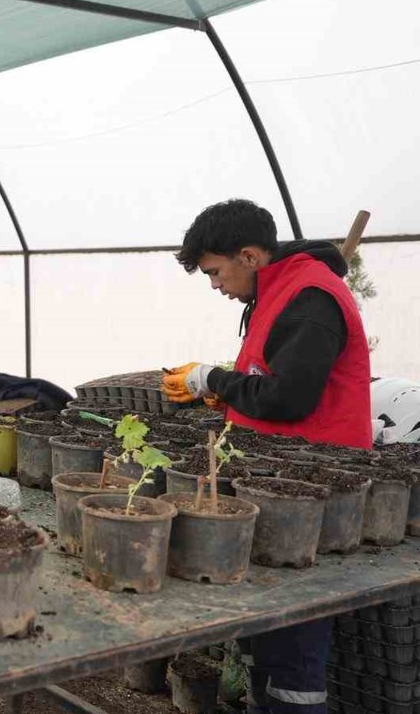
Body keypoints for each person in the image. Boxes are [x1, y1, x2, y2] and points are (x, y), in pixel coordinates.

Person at [163, 198, 372, 714]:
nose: (215, 284)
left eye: (215, 271)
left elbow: (291, 399)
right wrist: (227, 393)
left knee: (295, 638)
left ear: (251, 256)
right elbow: (268, 377)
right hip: (278, 478)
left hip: (313, 485)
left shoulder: (311, 297)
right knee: (271, 632)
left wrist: (211, 378)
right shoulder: (278, 291)